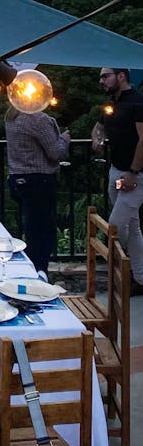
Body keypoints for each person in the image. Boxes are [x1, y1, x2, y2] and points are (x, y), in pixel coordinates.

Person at [5, 106, 70, 277]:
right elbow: (56, 153)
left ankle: (31, 269)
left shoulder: (11, 115)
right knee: (42, 230)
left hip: (18, 178)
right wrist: (64, 139)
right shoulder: (38, 119)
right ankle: (39, 271)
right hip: (39, 180)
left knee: (30, 226)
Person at [94, 68, 143, 295]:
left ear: (121, 76)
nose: (102, 80)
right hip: (117, 172)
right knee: (132, 226)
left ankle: (116, 268)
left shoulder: (137, 103)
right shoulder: (112, 103)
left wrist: (134, 171)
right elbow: (99, 127)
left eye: (106, 76)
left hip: (136, 175)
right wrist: (98, 140)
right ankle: (140, 278)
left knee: (114, 225)